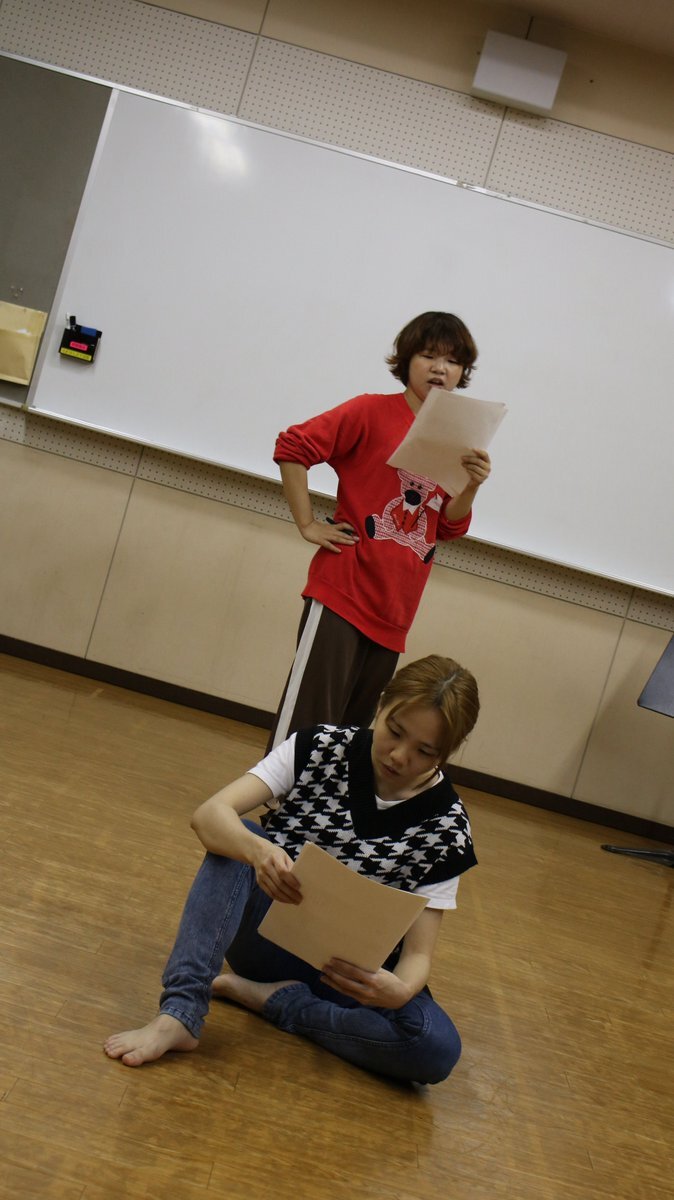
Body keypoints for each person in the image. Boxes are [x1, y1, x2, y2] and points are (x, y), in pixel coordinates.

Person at [104, 655, 480, 1085]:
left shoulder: (447, 826)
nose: (399, 755)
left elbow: (417, 956)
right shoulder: (319, 746)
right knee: (239, 836)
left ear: (447, 752)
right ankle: (180, 1013)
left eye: (424, 752)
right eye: (394, 731)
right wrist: (258, 851)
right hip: (264, 940)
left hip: (347, 979)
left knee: (434, 1047)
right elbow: (209, 816)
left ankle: (276, 1002)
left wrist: (401, 989)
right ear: (381, 705)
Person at [268, 311, 491, 750]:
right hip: (344, 590)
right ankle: (275, 794)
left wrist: (471, 485)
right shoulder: (371, 411)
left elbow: (446, 527)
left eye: (452, 361)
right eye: (428, 356)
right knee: (305, 726)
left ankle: (320, 798)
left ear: (463, 372)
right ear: (406, 359)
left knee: (350, 738)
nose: (440, 369)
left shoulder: (459, 439)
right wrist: (308, 524)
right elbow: (293, 446)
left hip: (396, 609)